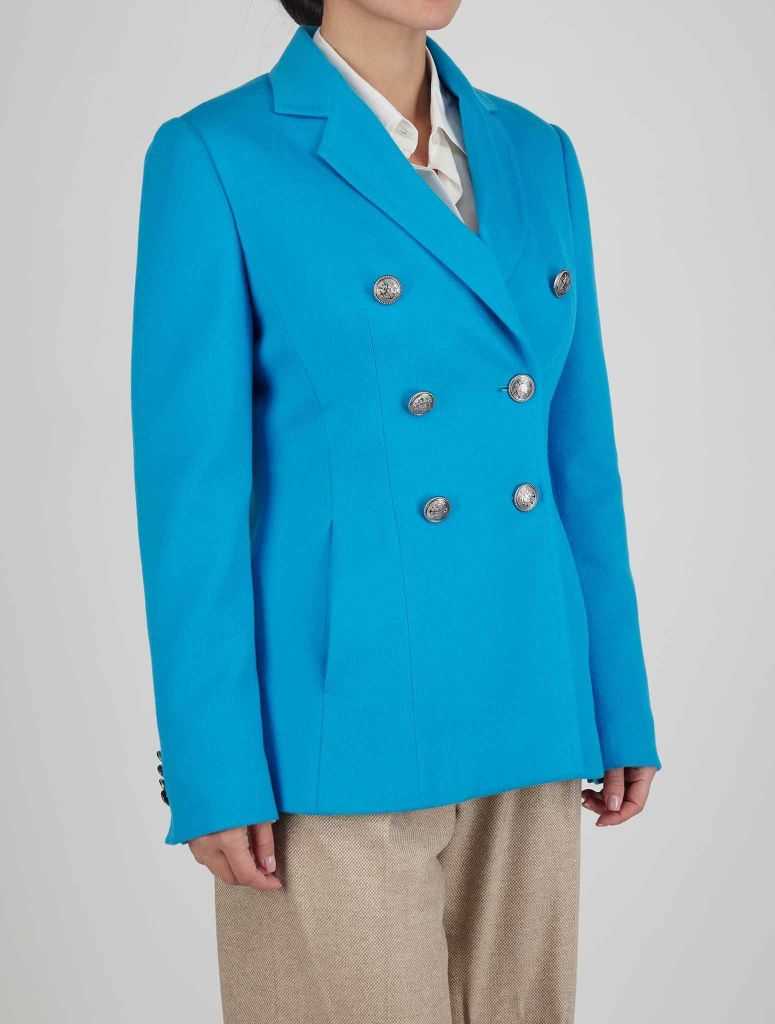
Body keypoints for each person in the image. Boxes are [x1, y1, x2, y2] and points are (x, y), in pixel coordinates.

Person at [131, 1, 661, 1020]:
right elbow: (191, 500)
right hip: (335, 728)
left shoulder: (537, 153)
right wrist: (212, 765)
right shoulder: (217, 156)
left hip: (528, 694)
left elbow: (576, 456)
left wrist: (613, 693)